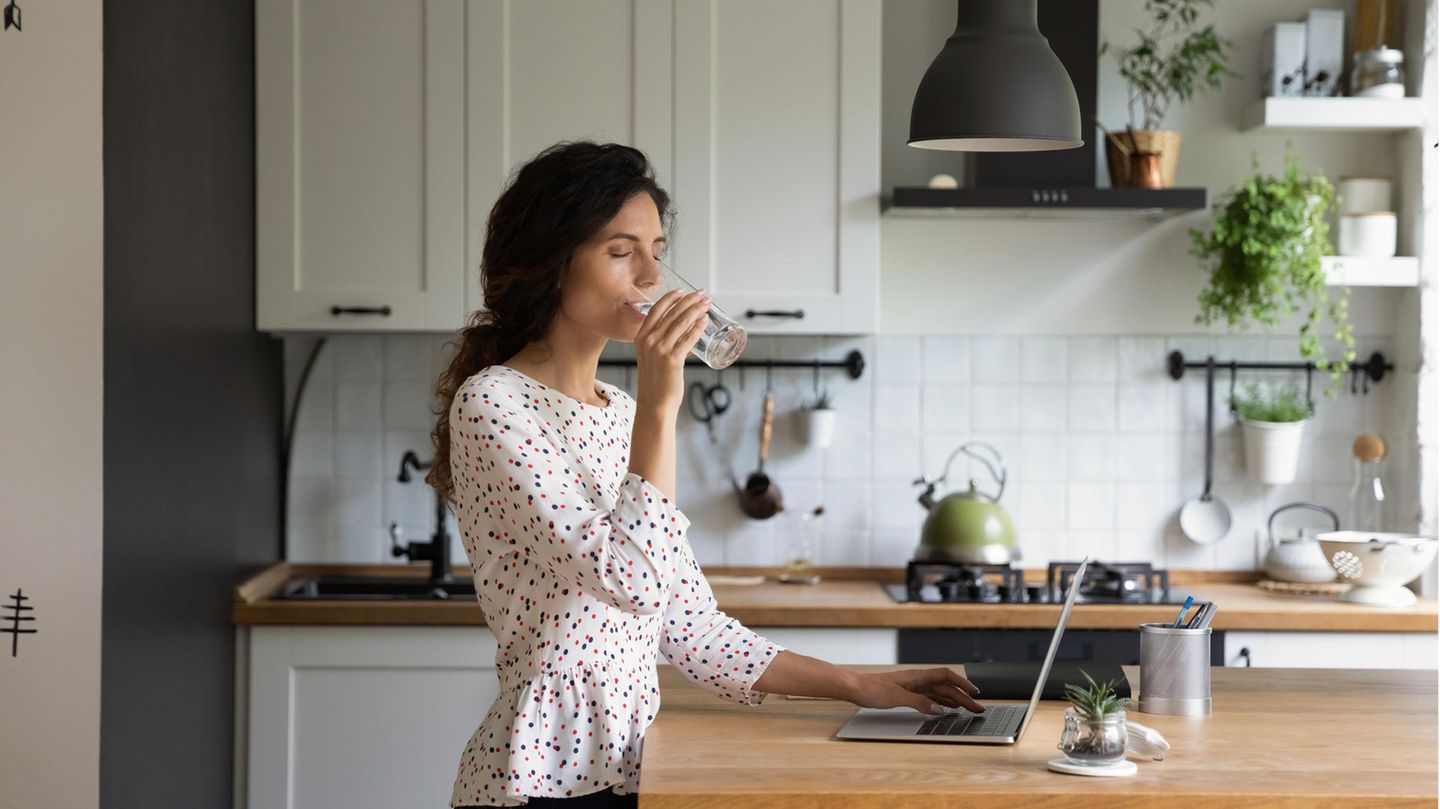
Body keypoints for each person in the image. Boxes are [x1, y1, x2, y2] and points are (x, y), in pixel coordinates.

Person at [427, 141, 985, 808]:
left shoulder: (620, 412)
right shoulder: (494, 404)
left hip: (635, 766)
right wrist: (663, 404)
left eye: (656, 251)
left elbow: (690, 626)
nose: (650, 276)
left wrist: (861, 683)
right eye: (620, 250)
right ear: (552, 261)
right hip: (542, 777)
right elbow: (628, 579)